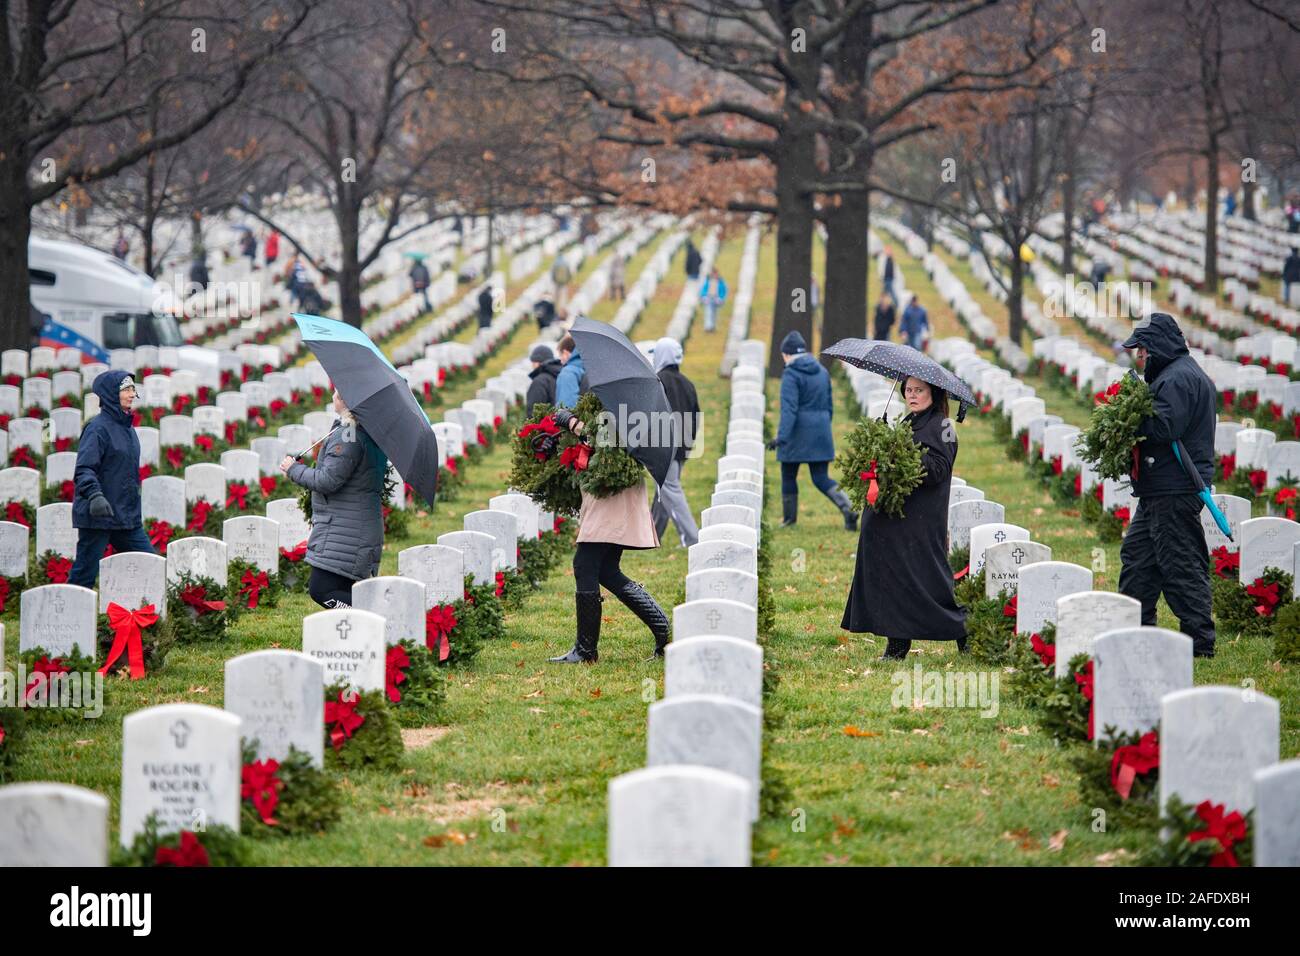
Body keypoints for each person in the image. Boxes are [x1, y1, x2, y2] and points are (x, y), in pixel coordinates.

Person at [841, 377, 966, 659]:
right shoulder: (911, 421)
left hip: (920, 519)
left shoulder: (943, 426)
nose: (912, 395)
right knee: (895, 578)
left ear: (933, 393)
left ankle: (962, 628)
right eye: (908, 390)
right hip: (898, 516)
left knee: (927, 580)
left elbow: (938, 470)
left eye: (919, 390)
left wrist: (903, 451)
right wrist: (884, 440)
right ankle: (897, 643)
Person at [1118, 312, 1217, 657]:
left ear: (1157, 347)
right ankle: (1137, 632)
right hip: (1161, 487)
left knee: (1180, 563)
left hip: (1175, 487)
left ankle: (1199, 643)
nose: (1139, 357)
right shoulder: (1175, 375)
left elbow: (1163, 428)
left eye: (1142, 350)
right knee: (1138, 561)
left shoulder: (1177, 379)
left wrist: (1128, 415)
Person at [546, 405, 668, 664]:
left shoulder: (628, 403)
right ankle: (661, 628)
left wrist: (574, 424)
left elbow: (610, 440)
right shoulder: (621, 396)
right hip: (610, 492)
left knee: (585, 564)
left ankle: (586, 651)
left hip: (612, 491)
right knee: (607, 570)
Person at [279, 390, 388, 609]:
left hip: (345, 530)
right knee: (341, 589)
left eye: (338, 393)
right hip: (350, 527)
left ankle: (380, 620)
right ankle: (363, 634)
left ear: (346, 401)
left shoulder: (349, 435)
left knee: (322, 590)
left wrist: (294, 469)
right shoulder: (359, 431)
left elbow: (328, 480)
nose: (333, 396)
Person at [68, 371, 156, 587]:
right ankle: (70, 613)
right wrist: (95, 495)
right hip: (98, 515)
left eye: (132, 389)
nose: (131, 394)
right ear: (110, 395)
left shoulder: (128, 428)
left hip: (125, 516)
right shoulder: (97, 428)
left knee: (152, 565)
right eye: (125, 389)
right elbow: (84, 469)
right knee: (84, 575)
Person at [768, 331, 857, 530]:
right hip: (820, 429)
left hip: (797, 432)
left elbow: (789, 409)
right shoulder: (822, 371)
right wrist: (823, 427)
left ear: (787, 354)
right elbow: (829, 405)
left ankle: (789, 519)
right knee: (820, 478)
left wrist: (781, 438)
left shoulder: (791, 374)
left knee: (788, 474)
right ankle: (848, 507)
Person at [650, 337, 700, 547]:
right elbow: (696, 415)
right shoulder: (687, 383)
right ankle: (652, 535)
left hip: (663, 446)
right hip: (682, 446)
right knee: (664, 491)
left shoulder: (657, 381)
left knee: (670, 490)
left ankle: (692, 538)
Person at [525, 345, 562, 415]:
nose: (532, 365)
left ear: (537, 362)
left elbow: (534, 412)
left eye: (533, 362)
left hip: (544, 424)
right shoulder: (559, 375)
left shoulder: (539, 381)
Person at [554, 333, 586, 409]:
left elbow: (567, 406)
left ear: (565, 353)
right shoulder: (590, 367)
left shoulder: (568, 372)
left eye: (560, 355)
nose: (561, 361)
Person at [698, 267, 728, 332]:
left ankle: (713, 326)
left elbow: (723, 291)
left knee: (715, 314)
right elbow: (703, 290)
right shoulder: (707, 281)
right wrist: (703, 297)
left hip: (716, 299)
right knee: (708, 312)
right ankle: (708, 327)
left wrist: (721, 298)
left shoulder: (721, 282)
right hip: (709, 298)